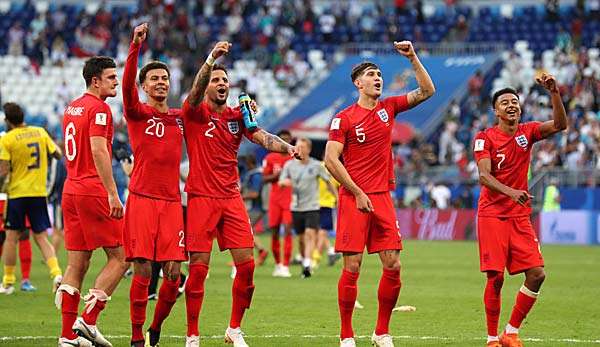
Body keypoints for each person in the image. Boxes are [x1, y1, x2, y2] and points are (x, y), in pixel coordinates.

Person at [182, 41, 300, 347]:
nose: (222, 84)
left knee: (246, 266)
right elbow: (193, 94)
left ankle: (234, 329)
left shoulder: (238, 116)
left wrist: (288, 148)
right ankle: (192, 334)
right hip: (201, 198)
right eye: (216, 80)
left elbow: (262, 136)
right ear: (206, 85)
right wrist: (210, 60)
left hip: (231, 198)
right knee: (198, 269)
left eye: (225, 80)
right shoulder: (194, 113)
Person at [324, 41, 435, 347]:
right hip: (353, 199)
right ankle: (346, 334)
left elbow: (427, 91)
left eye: (379, 75)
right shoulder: (343, 118)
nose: (377, 79)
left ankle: (381, 332)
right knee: (353, 267)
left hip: (382, 197)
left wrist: (412, 57)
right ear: (358, 83)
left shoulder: (389, 108)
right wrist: (357, 192)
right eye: (371, 75)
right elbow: (330, 159)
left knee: (394, 265)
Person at [473, 74, 567, 347]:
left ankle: (510, 331)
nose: (511, 105)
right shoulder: (485, 137)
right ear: (496, 111)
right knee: (496, 276)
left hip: (518, 215)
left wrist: (554, 93)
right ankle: (492, 339)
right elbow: (483, 176)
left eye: (515, 101)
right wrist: (512, 192)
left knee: (537, 274)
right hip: (492, 213)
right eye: (505, 102)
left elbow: (561, 125)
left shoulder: (529, 132)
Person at [121, 23, 187, 347]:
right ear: (144, 86)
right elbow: (126, 90)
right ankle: (136, 335)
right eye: (154, 79)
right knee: (143, 268)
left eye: (164, 78)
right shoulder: (137, 113)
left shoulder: (179, 116)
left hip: (172, 202)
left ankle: (155, 327)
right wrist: (135, 47)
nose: (160, 82)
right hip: (142, 198)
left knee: (173, 273)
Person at [56, 56, 129, 347]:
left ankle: (66, 337)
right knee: (123, 255)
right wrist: (112, 192)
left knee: (77, 263)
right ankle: (87, 320)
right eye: (111, 77)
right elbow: (98, 150)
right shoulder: (99, 109)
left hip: (71, 189)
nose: (116, 82)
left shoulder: (72, 107)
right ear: (95, 80)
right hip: (92, 189)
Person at [0, 102, 63, 295]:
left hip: (18, 194)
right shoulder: (40, 132)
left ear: (7, 120)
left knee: (11, 238)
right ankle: (57, 274)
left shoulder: (7, 139)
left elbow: (2, 171)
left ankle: (8, 282)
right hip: (38, 193)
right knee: (41, 237)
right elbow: (58, 154)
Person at [279, 138, 336, 277]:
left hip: (313, 206)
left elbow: (328, 182)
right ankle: (305, 259)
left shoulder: (316, 165)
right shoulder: (289, 165)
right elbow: (281, 181)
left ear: (309, 149)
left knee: (311, 234)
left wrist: (337, 197)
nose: (300, 150)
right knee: (301, 238)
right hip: (296, 207)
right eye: (298, 147)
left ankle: (307, 264)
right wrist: (284, 182)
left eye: (303, 147)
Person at [262, 129, 294, 277]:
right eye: (282, 139)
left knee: (287, 230)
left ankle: (286, 265)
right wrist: (278, 175)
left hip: (289, 199)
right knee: (274, 232)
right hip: (274, 199)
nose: (285, 141)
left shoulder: (294, 158)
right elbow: (264, 179)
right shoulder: (270, 158)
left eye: (287, 139)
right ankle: (278, 264)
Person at [316, 159, 340, 267]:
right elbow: (340, 184)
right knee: (321, 232)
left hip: (315, 203)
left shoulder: (317, 166)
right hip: (327, 203)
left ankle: (315, 258)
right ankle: (330, 251)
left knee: (320, 232)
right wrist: (337, 198)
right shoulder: (336, 168)